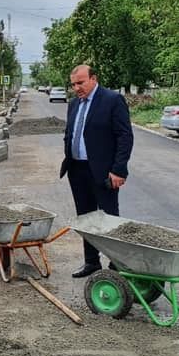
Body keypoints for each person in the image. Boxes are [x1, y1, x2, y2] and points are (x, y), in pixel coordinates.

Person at [59, 64, 134, 278]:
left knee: (109, 218)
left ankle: (116, 263)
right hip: (77, 169)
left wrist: (119, 170)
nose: (77, 88)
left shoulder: (112, 100)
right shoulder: (74, 104)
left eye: (80, 83)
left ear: (93, 79)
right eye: (73, 84)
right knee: (86, 218)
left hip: (104, 172)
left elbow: (124, 136)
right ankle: (91, 262)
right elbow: (70, 132)